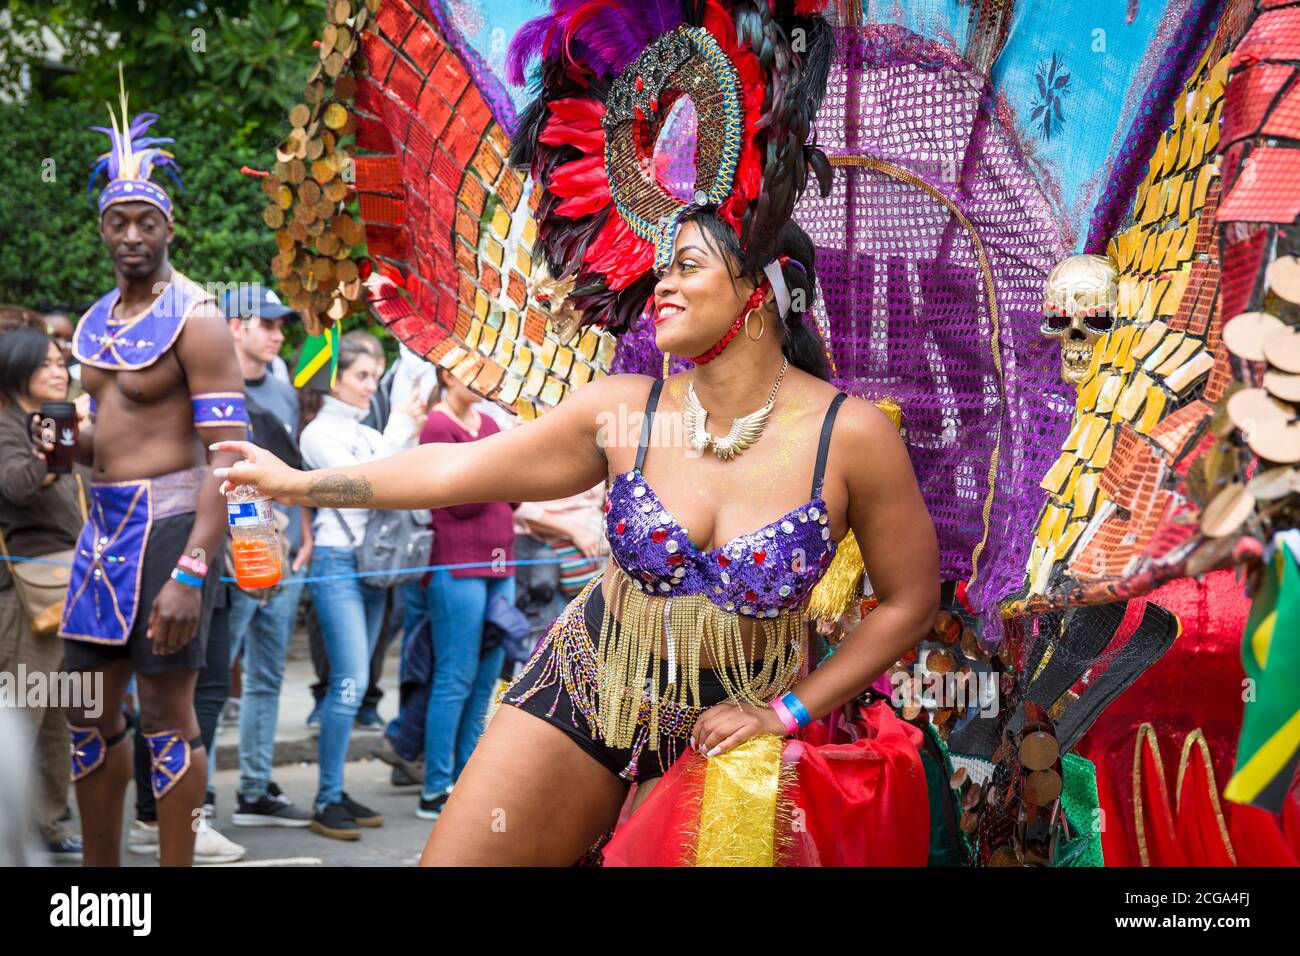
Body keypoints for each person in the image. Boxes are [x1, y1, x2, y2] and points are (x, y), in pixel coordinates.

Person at [63, 77, 247, 867]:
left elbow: (229, 457)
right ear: (102, 229)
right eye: (117, 220)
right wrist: (62, 450)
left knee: (171, 720)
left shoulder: (198, 319)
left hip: (173, 530)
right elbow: (97, 444)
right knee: (85, 717)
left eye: (146, 220)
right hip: (100, 536)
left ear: (170, 227)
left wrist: (195, 568)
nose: (131, 234)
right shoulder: (93, 322)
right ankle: (104, 889)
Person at [296, 329, 423, 839]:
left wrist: (405, 419)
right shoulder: (316, 435)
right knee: (347, 684)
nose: (372, 385)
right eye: (362, 376)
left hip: (371, 567)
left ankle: (333, 791)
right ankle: (326, 799)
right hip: (337, 565)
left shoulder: (364, 431)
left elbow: (400, 467)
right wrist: (401, 424)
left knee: (356, 683)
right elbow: (367, 482)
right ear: (334, 379)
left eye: (376, 375)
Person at [402, 368, 517, 820]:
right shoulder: (437, 425)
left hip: (501, 562)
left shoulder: (488, 426)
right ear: (448, 375)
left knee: (487, 679)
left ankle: (468, 779)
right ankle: (435, 787)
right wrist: (499, 469)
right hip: (457, 566)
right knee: (455, 676)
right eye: (474, 371)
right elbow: (455, 497)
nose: (484, 380)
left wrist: (497, 470)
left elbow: (513, 494)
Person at [220, 285, 314, 828]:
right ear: (236, 327)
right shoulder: (212, 390)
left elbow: (295, 474)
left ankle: (254, 791)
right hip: (233, 552)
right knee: (211, 680)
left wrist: (304, 535)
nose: (280, 334)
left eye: (283, 325)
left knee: (267, 675)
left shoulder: (282, 391)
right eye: (269, 324)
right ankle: (197, 796)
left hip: (284, 547)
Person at [0, 326, 86, 861]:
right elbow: (15, 484)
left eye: (62, 363)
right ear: (16, 370)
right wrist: (52, 458)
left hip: (63, 583)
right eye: (47, 365)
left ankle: (50, 822)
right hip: (22, 592)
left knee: (58, 714)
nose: (60, 372)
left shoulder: (49, 420)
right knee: (21, 715)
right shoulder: (8, 424)